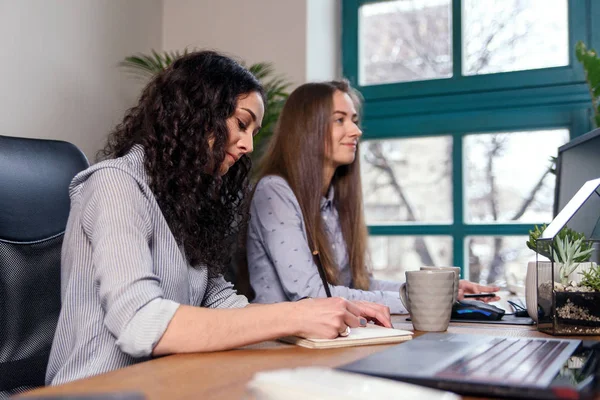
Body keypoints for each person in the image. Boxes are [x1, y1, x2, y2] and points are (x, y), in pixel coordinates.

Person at [46, 53, 392, 386]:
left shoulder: (182, 198)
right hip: (98, 388)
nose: (248, 146)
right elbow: (139, 322)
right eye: (242, 124)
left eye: (253, 132)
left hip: (168, 383)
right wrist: (295, 315)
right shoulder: (114, 183)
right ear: (197, 112)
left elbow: (220, 300)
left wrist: (319, 311)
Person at [244, 80, 500, 314]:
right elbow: (311, 294)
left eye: (354, 120)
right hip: (280, 346)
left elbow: (360, 283)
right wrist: (422, 300)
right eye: (339, 120)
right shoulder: (274, 191)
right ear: (307, 128)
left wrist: (438, 291)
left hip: (327, 340)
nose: (356, 131)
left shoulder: (334, 202)